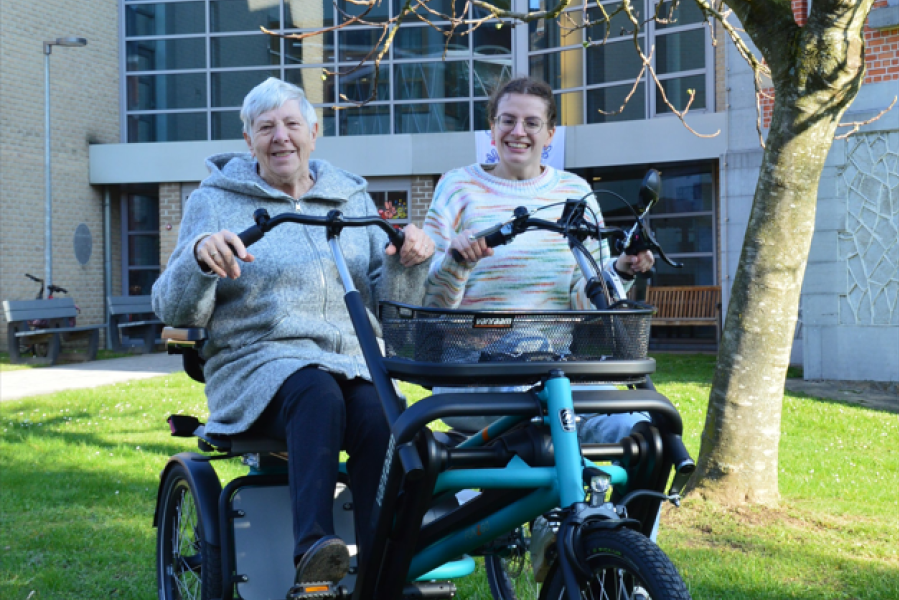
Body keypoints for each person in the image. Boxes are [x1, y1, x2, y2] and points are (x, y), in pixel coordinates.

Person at [151, 77, 435, 587]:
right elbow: (171, 307)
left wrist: (408, 262)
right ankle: (314, 552)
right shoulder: (214, 201)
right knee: (316, 391)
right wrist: (199, 260)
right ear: (249, 139)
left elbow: (390, 306)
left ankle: (382, 572)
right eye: (266, 128)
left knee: (379, 411)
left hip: (352, 359)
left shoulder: (350, 197)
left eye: (291, 124)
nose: (280, 137)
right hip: (258, 362)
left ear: (314, 132)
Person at [422, 76, 654, 444]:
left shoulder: (575, 192)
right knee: (555, 412)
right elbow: (429, 305)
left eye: (532, 122)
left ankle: (639, 475)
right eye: (507, 120)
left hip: (555, 366)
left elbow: (584, 300)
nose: (518, 132)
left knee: (640, 429)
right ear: (492, 127)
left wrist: (621, 270)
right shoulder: (457, 188)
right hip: (472, 372)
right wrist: (457, 263)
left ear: (550, 134)